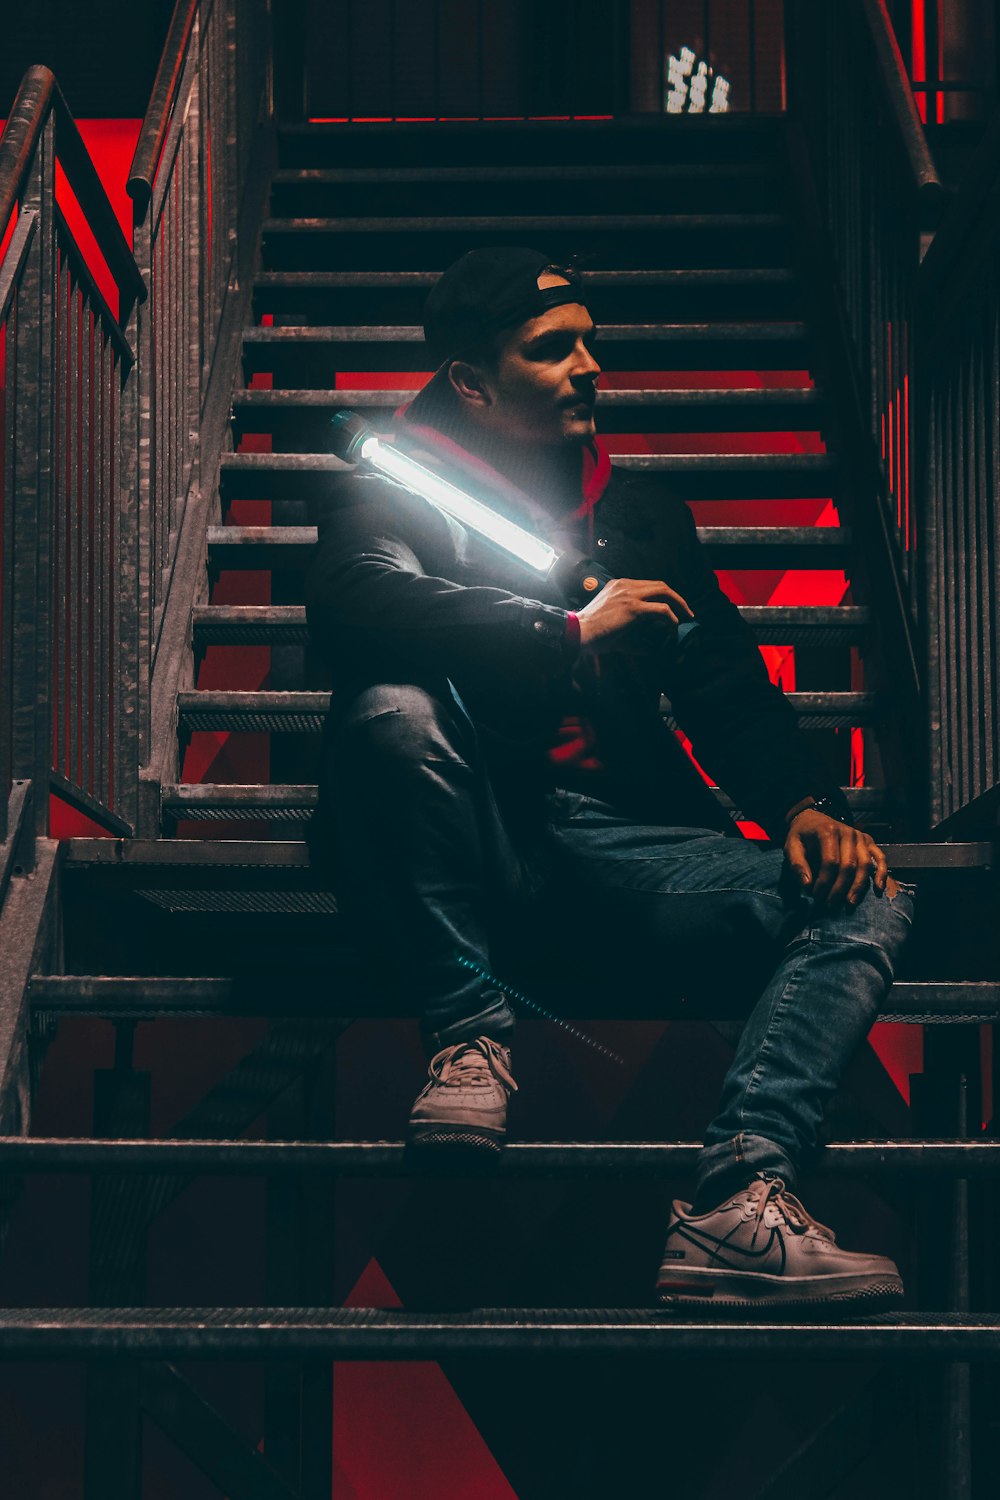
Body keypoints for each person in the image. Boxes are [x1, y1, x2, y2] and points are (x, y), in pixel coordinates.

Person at [304, 246, 916, 1310]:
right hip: (470, 834)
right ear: (471, 383)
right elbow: (355, 602)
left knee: (867, 899)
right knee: (390, 714)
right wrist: (564, 628)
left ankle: (741, 1196)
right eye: (553, 349)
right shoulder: (395, 486)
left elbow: (721, 680)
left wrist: (806, 805)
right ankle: (464, 1035)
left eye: (591, 342)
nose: (590, 366)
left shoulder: (637, 515)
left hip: (614, 849)